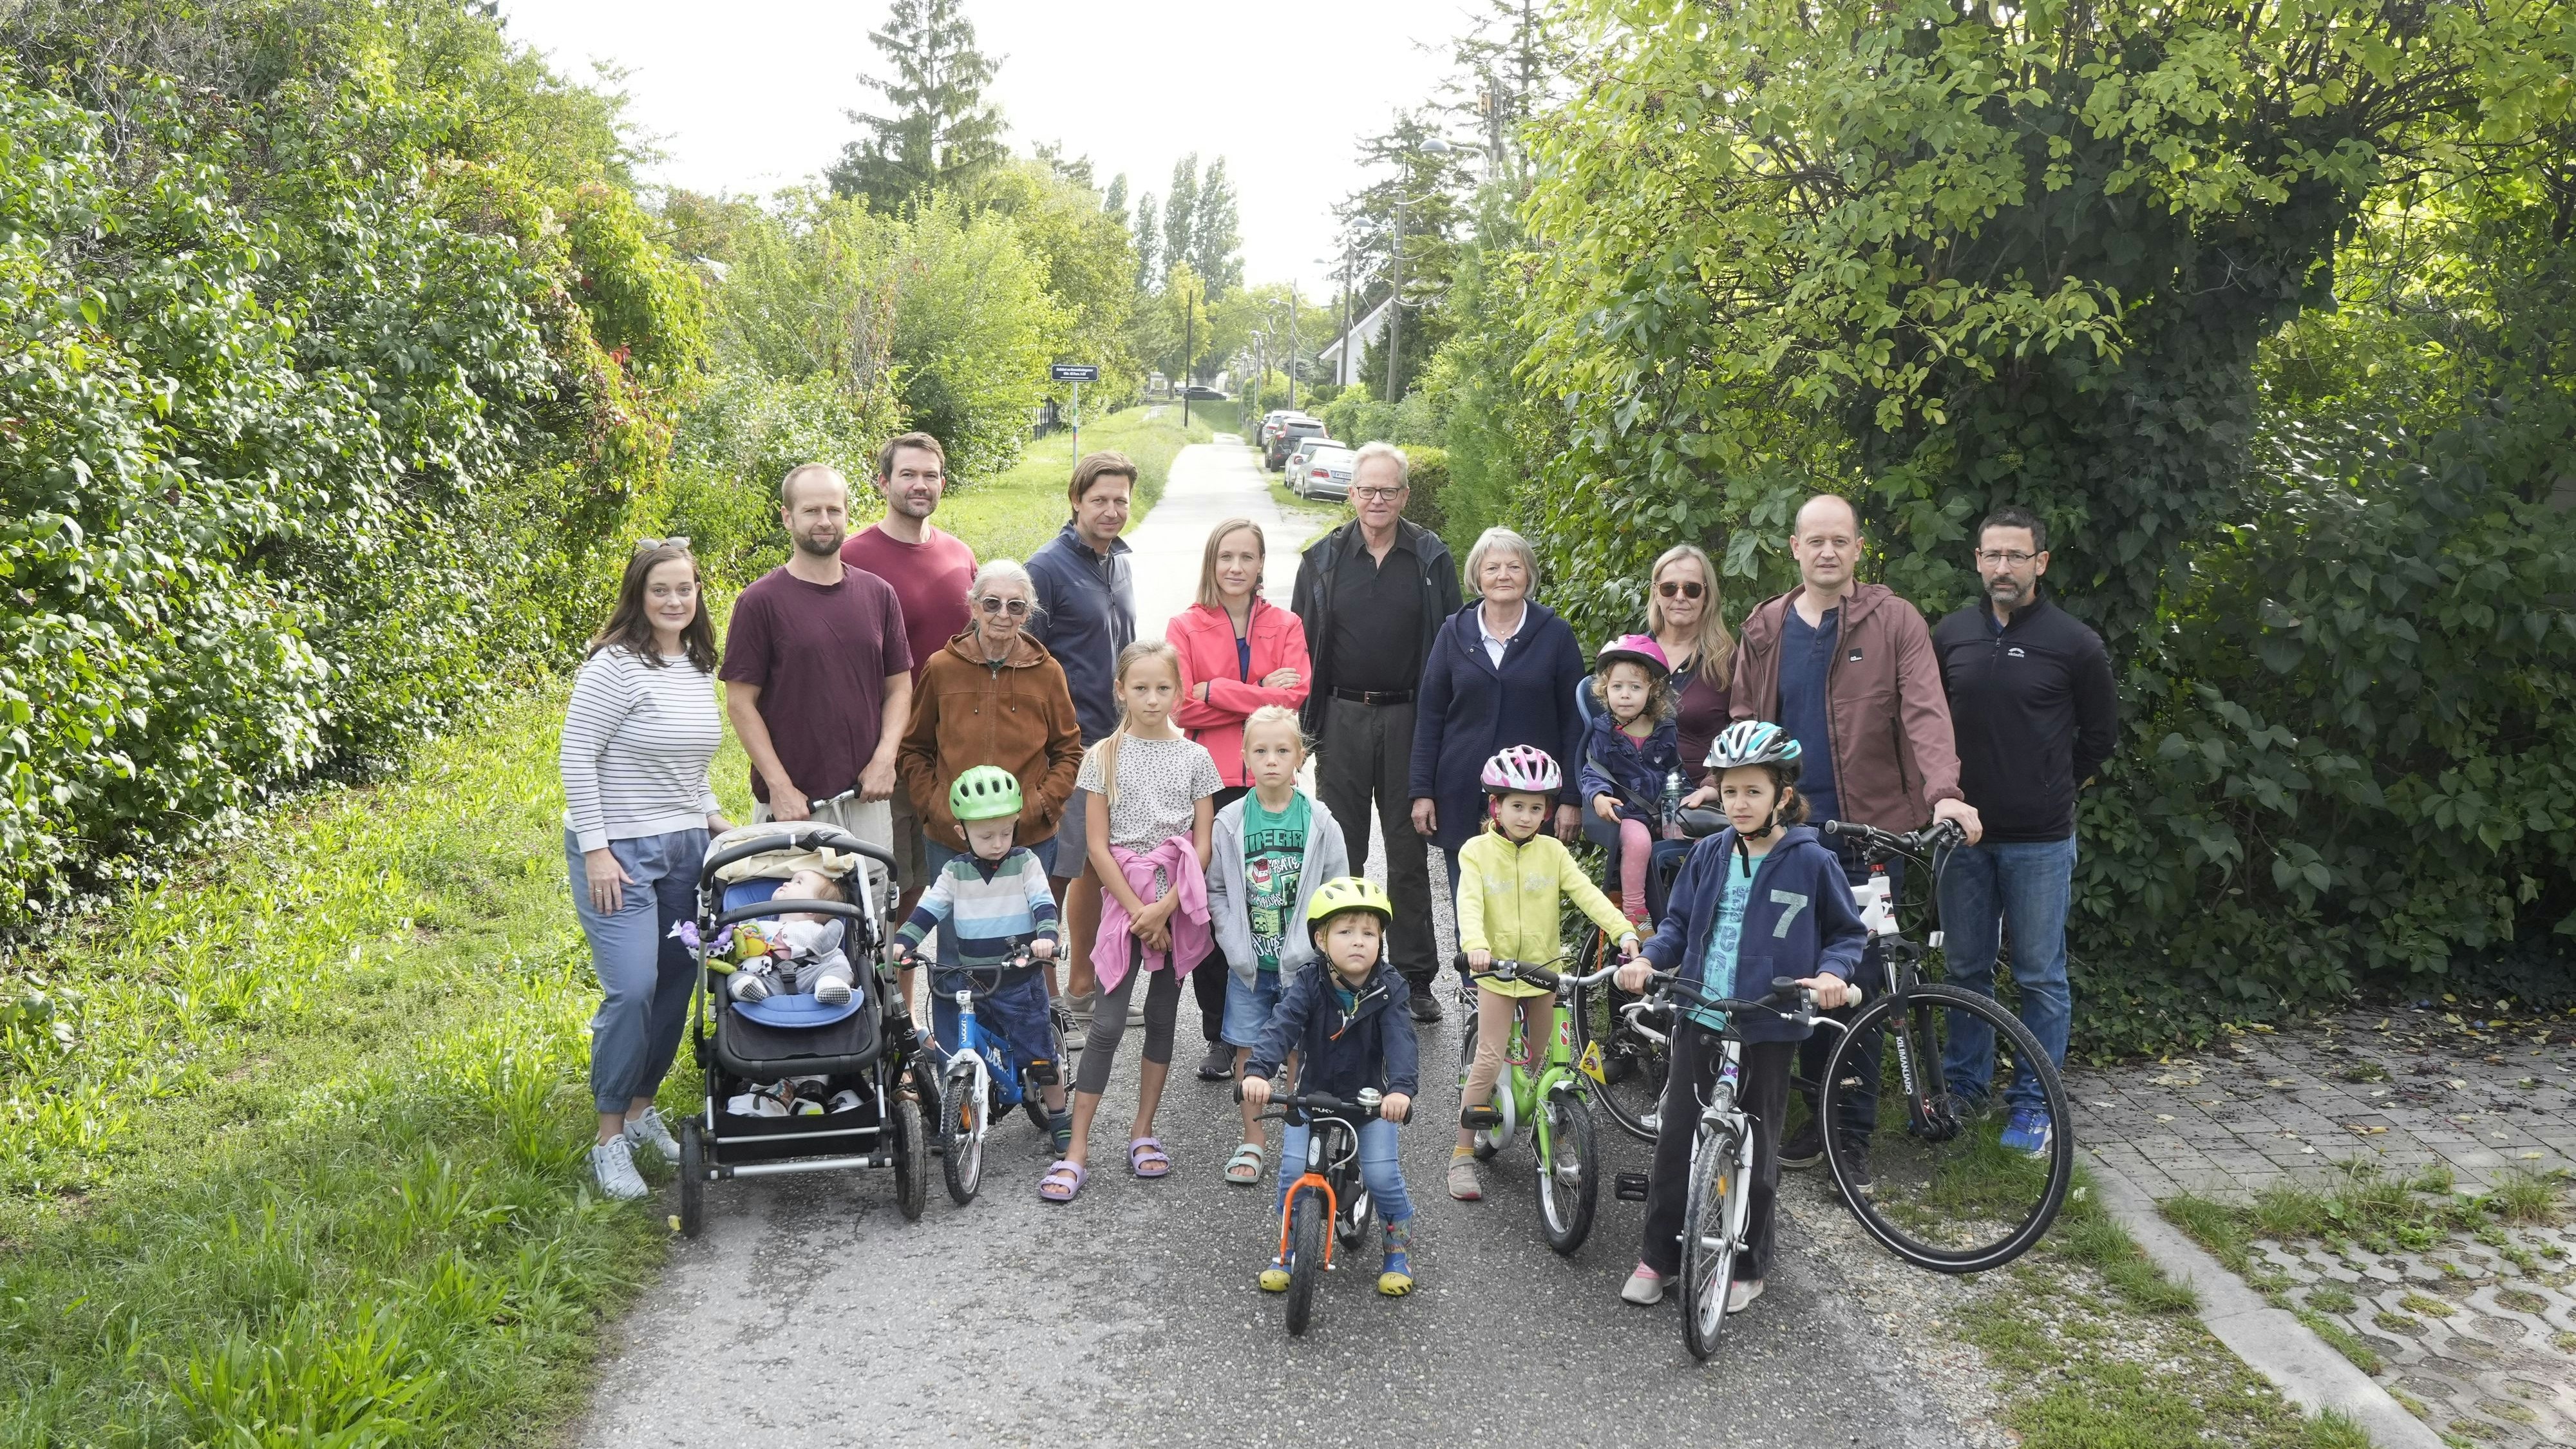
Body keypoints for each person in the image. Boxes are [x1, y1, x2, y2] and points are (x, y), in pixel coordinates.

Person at [1731, 493, 1981, 1191]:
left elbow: (1926, 712)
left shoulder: (1893, 621)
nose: (1827, 552)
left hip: (1871, 839)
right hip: (1791, 835)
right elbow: (1745, 722)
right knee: (1793, 978)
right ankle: (1810, 1118)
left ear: (1858, 549)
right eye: (1815, 541)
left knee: (1863, 984)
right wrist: (1724, 793)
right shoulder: (1768, 626)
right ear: (1794, 548)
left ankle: (1851, 1142)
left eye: (1839, 541)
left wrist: (1944, 793)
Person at [1613, 721, 1866, 1315]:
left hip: (1769, 1021)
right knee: (1676, 1139)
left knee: (1759, 1146)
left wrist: (1833, 974)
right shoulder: (1706, 855)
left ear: (1782, 793)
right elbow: (1676, 926)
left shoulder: (1812, 861)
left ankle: (1749, 1264)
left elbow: (1847, 935)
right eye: (1729, 792)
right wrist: (1649, 958)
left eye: (1753, 791)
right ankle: (1660, 1256)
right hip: (1700, 1013)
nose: (1740, 804)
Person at [1931, 506, 2117, 1157]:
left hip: (2039, 839)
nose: (2002, 568)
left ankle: (2034, 1104)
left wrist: (2051, 786)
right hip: (1962, 839)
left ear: (2040, 562)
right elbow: (1925, 724)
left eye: (2015, 556)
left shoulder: (2075, 643)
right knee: (1963, 969)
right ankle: (1963, 1089)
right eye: (1991, 556)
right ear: (1977, 561)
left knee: (2040, 976)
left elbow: (2098, 740)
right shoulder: (1950, 634)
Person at [559, 539, 731, 1202]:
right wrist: (598, 848)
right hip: (619, 854)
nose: (674, 600)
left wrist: (713, 817)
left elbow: (686, 762)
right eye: (661, 589)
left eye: (685, 589)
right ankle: (606, 1139)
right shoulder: (613, 666)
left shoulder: (694, 663)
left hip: (685, 845)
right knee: (631, 989)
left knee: (676, 984)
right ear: (639, 594)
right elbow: (578, 755)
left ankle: (640, 1110)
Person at [1042, 641, 1222, 1202]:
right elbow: (1097, 847)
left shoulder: (1196, 759)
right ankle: (1078, 1148)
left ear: (1179, 691)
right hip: (1125, 902)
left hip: (1176, 898)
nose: (1151, 699)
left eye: (1162, 688)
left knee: (1165, 1018)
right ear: (1120, 690)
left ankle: (1143, 1131)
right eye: (1139, 688)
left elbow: (1203, 844)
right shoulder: (1103, 757)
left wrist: (1167, 908)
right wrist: (1140, 913)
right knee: (1108, 1024)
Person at [1291, 442, 1461, 1023]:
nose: (1378, 500)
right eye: (1367, 490)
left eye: (1389, 490)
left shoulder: (1432, 558)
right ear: (1351, 493)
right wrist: (1301, 734)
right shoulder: (1322, 559)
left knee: (1409, 851)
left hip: (1409, 718)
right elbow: (1301, 649)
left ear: (1405, 496)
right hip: (1340, 719)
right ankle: (1342, 971)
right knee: (1341, 850)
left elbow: (1452, 648)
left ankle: (1416, 977)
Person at [1447, 744, 1640, 1202]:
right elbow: (1469, 902)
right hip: (1495, 973)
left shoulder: (1552, 852)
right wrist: (1475, 946)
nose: (1527, 816)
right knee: (1490, 1059)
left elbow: (1588, 894)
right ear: (1496, 805)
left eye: (1536, 808)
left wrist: (1623, 931)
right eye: (1517, 806)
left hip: (1544, 973)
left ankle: (1549, 1137)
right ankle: (1461, 1153)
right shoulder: (1476, 851)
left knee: (1545, 1063)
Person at [719, 462, 914, 913]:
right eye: (811, 511)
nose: (824, 521)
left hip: (865, 799)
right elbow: (740, 703)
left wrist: (885, 761)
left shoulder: (878, 594)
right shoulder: (759, 602)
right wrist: (780, 786)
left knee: (871, 925)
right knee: (792, 927)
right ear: (787, 517)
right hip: (795, 806)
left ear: (848, 514)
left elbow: (900, 689)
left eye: (834, 509)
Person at [1169, 518, 1313, 1080]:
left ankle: (1279, 1022)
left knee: (1274, 900)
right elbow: (1181, 707)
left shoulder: (1287, 623)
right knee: (1212, 905)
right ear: (1212, 561)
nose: (1235, 567)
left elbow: (1295, 694)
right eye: (1226, 556)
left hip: (1274, 777)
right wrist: (1257, 696)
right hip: (1210, 779)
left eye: (1246, 557)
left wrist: (1216, 690)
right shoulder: (1185, 624)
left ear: (1260, 565)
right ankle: (1220, 1035)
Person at [896, 558, 1084, 973]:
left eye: (1016, 606)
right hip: (953, 837)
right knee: (953, 957)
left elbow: (1069, 751)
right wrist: (938, 808)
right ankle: (957, 1039)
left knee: (1026, 954)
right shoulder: (941, 668)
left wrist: (1040, 806)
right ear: (974, 607)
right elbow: (913, 748)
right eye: (992, 603)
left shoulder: (1047, 672)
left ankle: (1026, 1036)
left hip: (1029, 837)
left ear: (1028, 612)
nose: (1003, 615)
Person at [842, 431, 978, 1005]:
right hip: (881, 753)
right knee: (885, 883)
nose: (920, 485)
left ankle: (913, 1011)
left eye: (930, 475)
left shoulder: (959, 555)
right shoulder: (853, 556)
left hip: (950, 753)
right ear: (883, 483)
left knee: (928, 883)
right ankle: (882, 1011)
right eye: (907, 475)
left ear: (943, 482)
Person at [1242, 876, 1421, 1298]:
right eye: (1345, 932)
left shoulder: (1389, 987)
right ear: (1321, 939)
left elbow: (1401, 1042)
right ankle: (1285, 1250)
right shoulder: (1309, 982)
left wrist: (1401, 1091)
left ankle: (1396, 1250)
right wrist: (1258, 1071)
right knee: (1290, 1172)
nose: (1358, 942)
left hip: (1370, 1101)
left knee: (1381, 1174)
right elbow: (1282, 1025)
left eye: (1369, 933)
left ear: (1381, 940)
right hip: (1312, 1095)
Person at [1409, 527, 1588, 930]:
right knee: (1470, 914)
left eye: (1514, 566)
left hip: (1532, 799)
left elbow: (1575, 721)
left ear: (1529, 575)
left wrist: (1572, 797)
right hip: (1461, 793)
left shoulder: (1555, 635)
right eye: (1492, 567)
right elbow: (1431, 716)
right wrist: (1422, 791)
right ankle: (1475, 993)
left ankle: (1531, 993)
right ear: (1477, 576)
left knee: (1529, 916)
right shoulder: (1454, 633)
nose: (1503, 575)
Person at [891, 766, 1071, 1152]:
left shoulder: (1025, 863)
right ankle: (961, 1113)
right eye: (986, 835)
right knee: (962, 1047)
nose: (997, 843)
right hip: (972, 980)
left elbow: (1043, 902)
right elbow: (927, 910)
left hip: (1019, 977)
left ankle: (1058, 1115)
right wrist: (903, 943)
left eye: (1006, 832)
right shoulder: (955, 872)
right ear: (962, 833)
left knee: (1038, 1055)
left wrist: (1046, 938)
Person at [1204, 706, 1349, 1185]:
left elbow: (1337, 889)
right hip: (1250, 966)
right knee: (1249, 1051)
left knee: (1299, 1051)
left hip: (1304, 966)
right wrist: (1232, 941)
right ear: (1245, 757)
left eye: (1282, 750)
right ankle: (1253, 1141)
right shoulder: (1229, 821)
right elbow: (1217, 890)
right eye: (1260, 751)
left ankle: (1299, 1135)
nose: (1271, 760)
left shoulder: (1321, 822)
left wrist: (1325, 946)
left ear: (1300, 758)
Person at [1028, 452, 1139, 1031]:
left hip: (1115, 744)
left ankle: (1088, 983)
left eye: (1120, 499)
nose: (1111, 510)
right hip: (1064, 747)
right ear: (1076, 500)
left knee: (1103, 864)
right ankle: (1053, 994)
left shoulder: (1118, 562)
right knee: (1059, 869)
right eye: (1099, 499)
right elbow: (1023, 661)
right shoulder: (1046, 568)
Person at [1579, 634, 1689, 929]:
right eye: (1617, 687)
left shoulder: (1664, 729)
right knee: (1639, 843)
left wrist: (1687, 796)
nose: (1625, 695)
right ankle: (1636, 913)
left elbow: (1674, 768)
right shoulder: (1604, 731)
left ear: (1651, 692)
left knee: (1699, 835)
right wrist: (1599, 797)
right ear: (1605, 691)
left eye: (1635, 687)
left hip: (1662, 808)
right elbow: (1592, 770)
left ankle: (1690, 904)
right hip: (1626, 812)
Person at [724, 868, 854, 1005]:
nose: (786, 883)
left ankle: (829, 985)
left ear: (812, 908)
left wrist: (844, 972)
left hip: (808, 975)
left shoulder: (816, 929)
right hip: (766, 977)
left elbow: (833, 954)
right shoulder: (760, 926)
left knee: (838, 968)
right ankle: (749, 988)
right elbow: (742, 948)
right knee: (736, 976)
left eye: (798, 883)